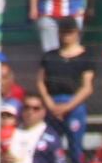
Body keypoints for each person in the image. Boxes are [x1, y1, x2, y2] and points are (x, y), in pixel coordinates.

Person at [37, 16, 96, 148]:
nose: (66, 35)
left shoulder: (86, 56)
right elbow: (40, 82)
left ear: (77, 33)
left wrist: (68, 106)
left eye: (70, 32)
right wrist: (50, 105)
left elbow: (87, 87)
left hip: (74, 103)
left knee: (75, 147)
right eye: (63, 31)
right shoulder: (50, 56)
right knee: (52, 145)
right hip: (53, 102)